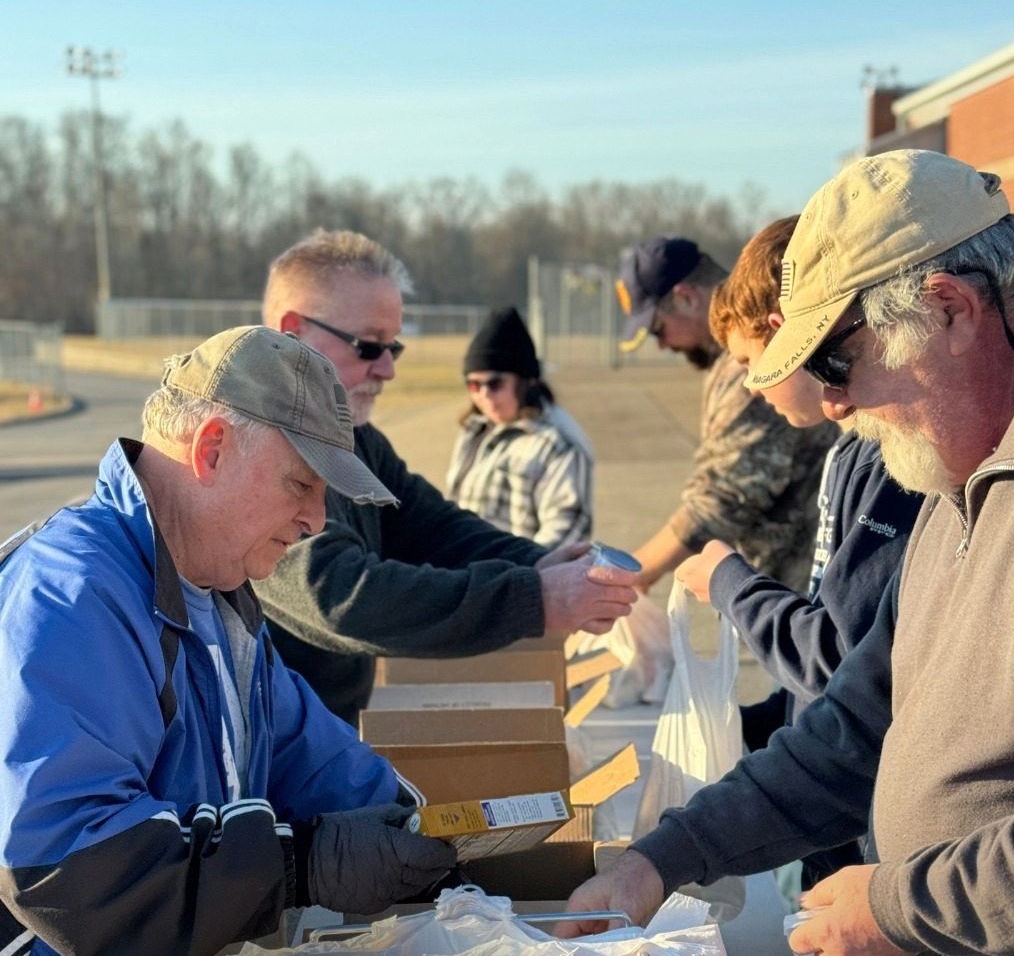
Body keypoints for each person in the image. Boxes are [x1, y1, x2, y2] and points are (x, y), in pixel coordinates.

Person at [560, 149, 1014, 956]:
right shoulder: (962, 473)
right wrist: (658, 861)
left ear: (950, 310)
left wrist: (906, 908)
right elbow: (855, 726)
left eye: (836, 359)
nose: (830, 401)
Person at [0, 327, 457, 956]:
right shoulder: (74, 595)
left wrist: (438, 844)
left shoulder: (217, 598)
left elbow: (307, 754)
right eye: (301, 483)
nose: (317, 520)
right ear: (211, 448)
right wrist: (301, 864)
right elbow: (73, 872)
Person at [253, 230, 637, 725]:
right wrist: (535, 598)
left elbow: (430, 525)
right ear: (292, 331)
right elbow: (343, 595)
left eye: (394, 347)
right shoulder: (261, 441)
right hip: (260, 753)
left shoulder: (347, 431)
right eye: (369, 347)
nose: (388, 369)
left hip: (320, 739)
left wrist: (540, 564)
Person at [676, 215, 923, 887]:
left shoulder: (895, 461)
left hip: (859, 828)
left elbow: (840, 662)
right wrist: (755, 726)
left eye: (754, 363)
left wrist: (729, 582)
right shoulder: (850, 451)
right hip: (830, 802)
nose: (754, 386)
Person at [616, 235, 836, 593]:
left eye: (658, 328)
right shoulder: (735, 360)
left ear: (686, 297)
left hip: (800, 600)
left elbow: (721, 500)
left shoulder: (747, 372)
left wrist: (632, 575)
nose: (662, 344)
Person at [447, 305, 594, 549]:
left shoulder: (560, 445)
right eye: (473, 385)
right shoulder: (474, 430)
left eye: (495, 383)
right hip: (468, 579)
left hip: (521, 582)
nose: (484, 395)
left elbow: (565, 534)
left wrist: (513, 579)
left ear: (527, 381)